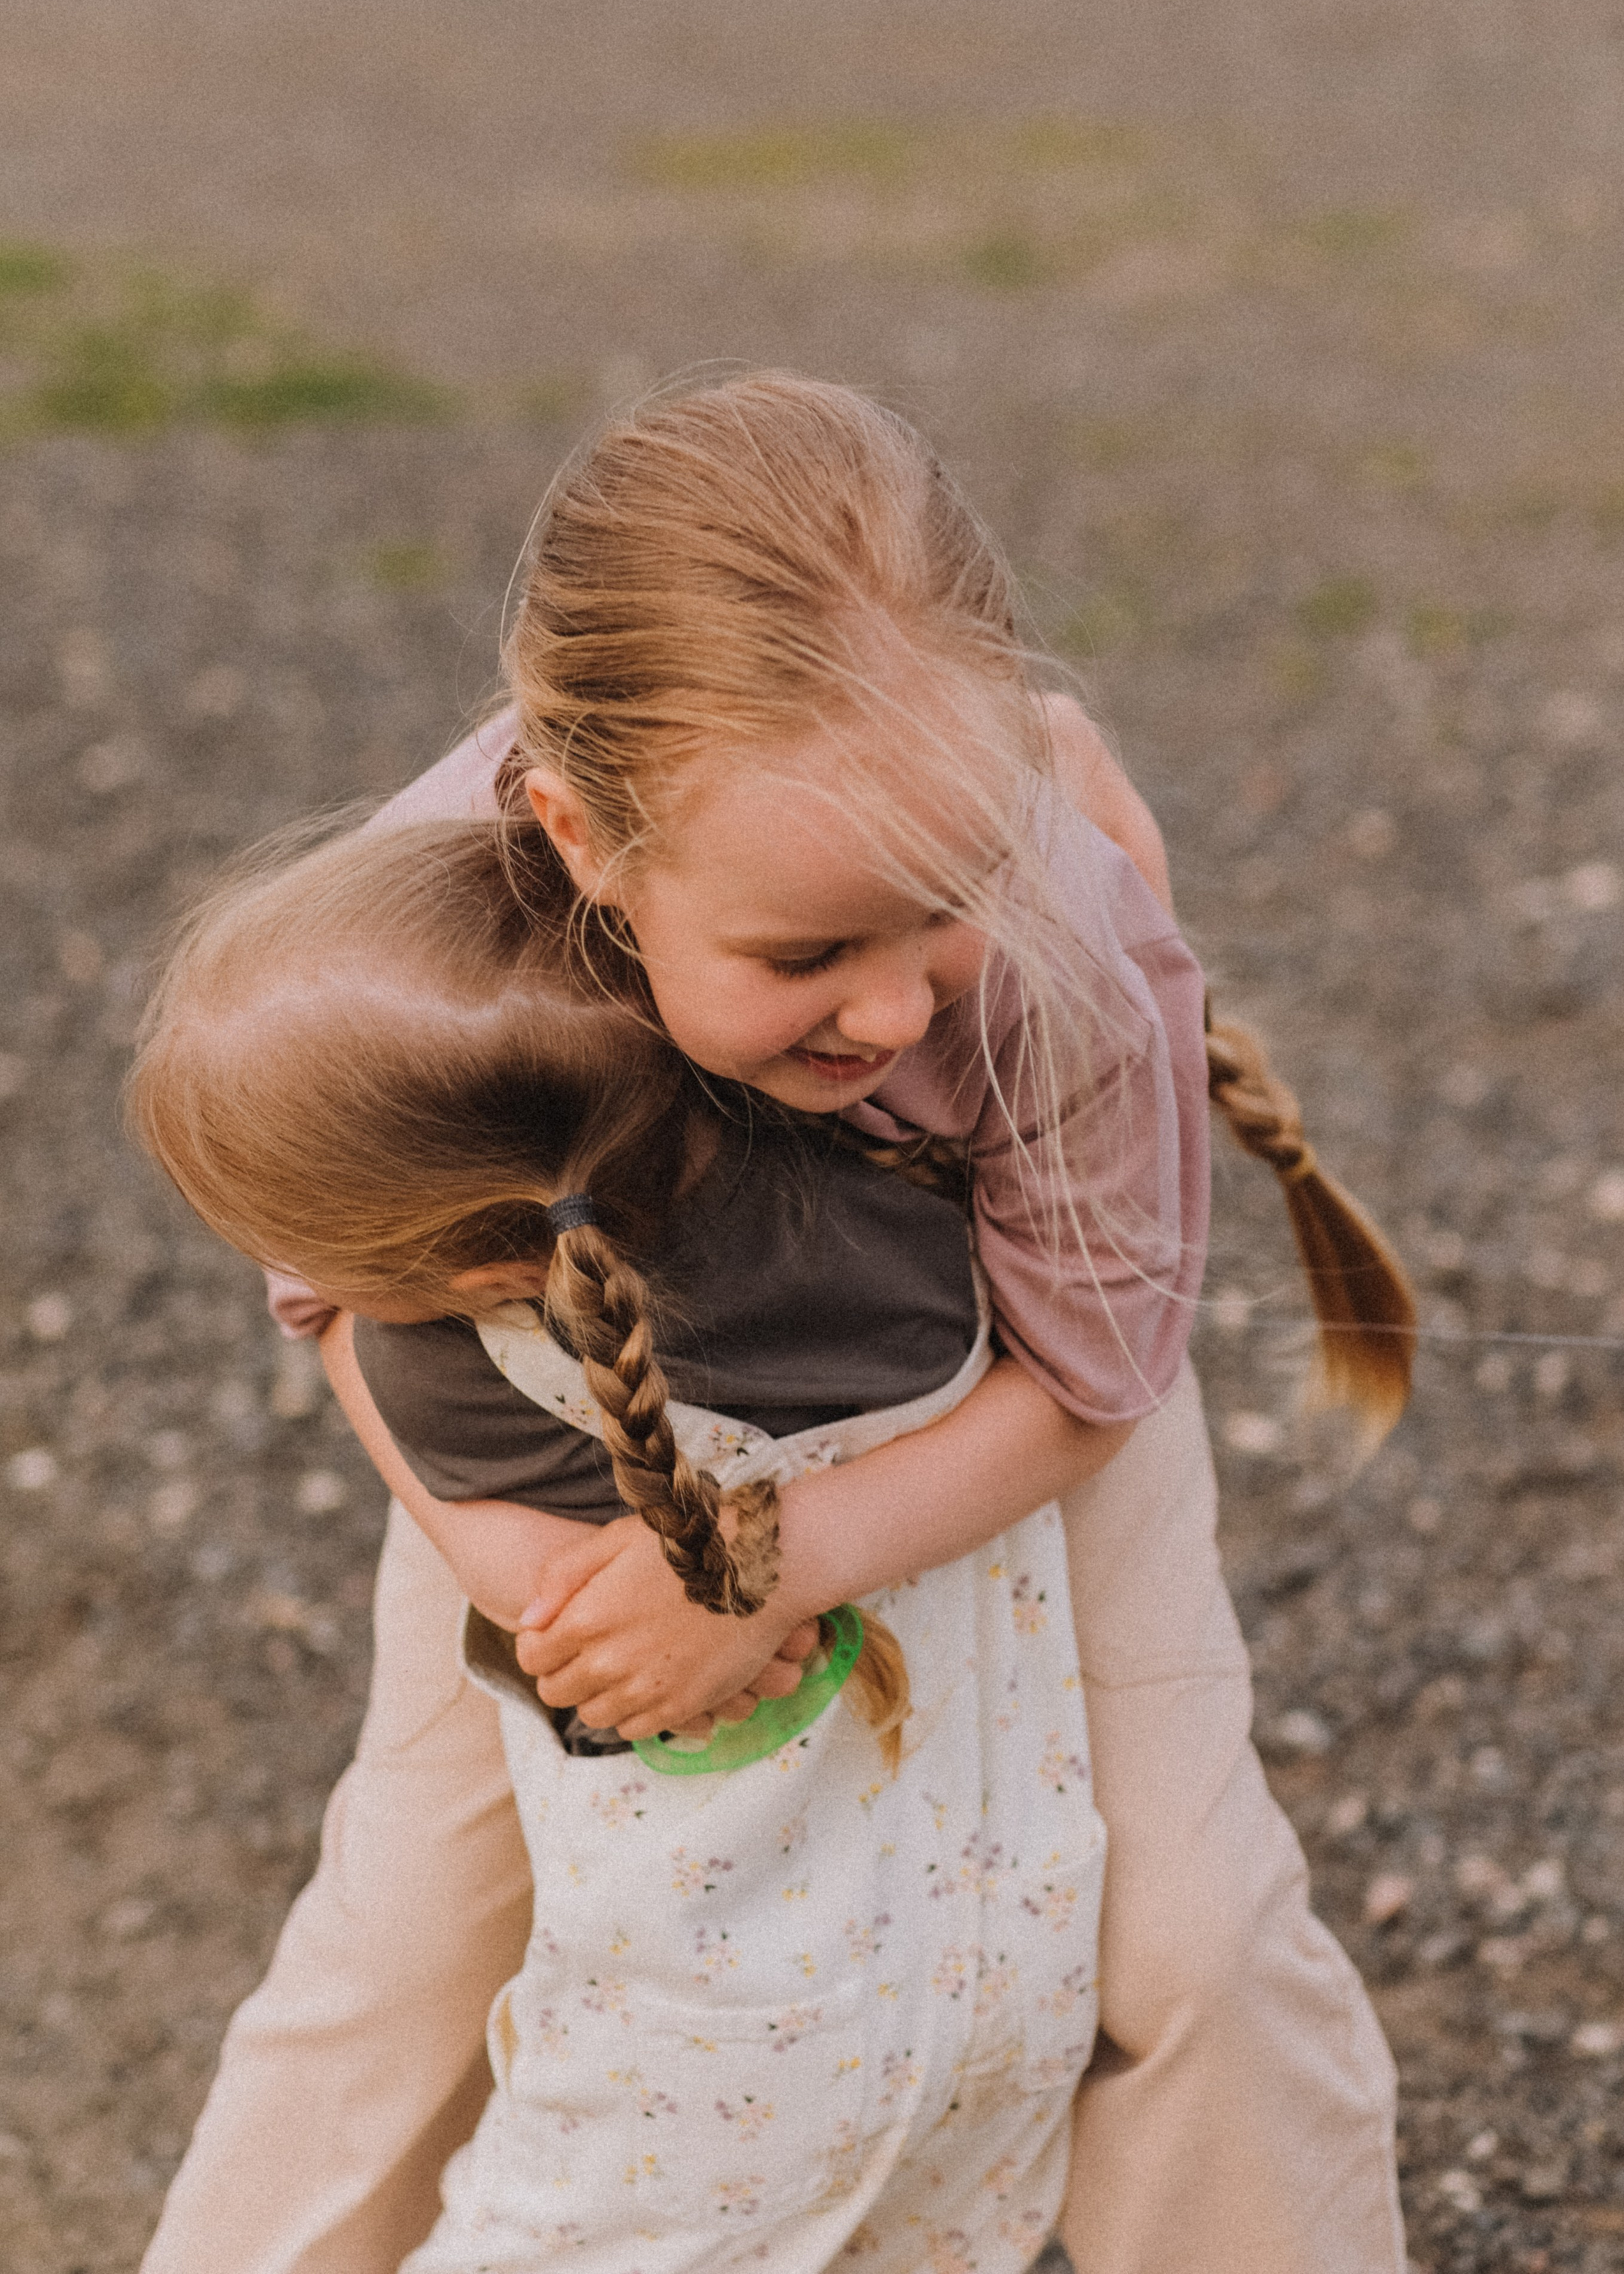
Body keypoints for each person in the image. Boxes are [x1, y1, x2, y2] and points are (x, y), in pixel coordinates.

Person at [137, 373, 1412, 2274]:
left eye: (943, 903)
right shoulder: (426, 936)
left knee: (1193, 1938)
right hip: (559, 1435)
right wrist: (533, 1572)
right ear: (583, 841)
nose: (894, 1010)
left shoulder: (1070, 961)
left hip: (997, 1406)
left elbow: (1094, 1376)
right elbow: (339, 1285)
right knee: (410, 1923)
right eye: (808, 955)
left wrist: (759, 1562)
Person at [130, 812, 1108, 2272]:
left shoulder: (443, 1390)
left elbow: (345, 1311)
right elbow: (1085, 1370)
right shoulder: (911, 1276)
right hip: (996, 1976)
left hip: (686, 2042)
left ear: (459, 1275)